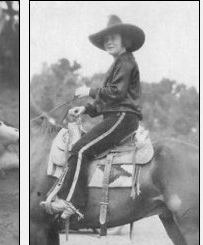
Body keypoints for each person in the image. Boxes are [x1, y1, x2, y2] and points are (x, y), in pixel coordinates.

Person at [41, 15, 145, 219]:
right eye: (106, 39)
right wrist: (86, 109)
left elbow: (116, 93)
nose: (108, 42)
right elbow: (111, 98)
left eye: (113, 37)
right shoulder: (119, 63)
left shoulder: (126, 62)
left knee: (80, 150)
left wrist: (89, 90)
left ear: (126, 41)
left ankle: (72, 202)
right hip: (116, 115)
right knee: (82, 148)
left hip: (123, 118)